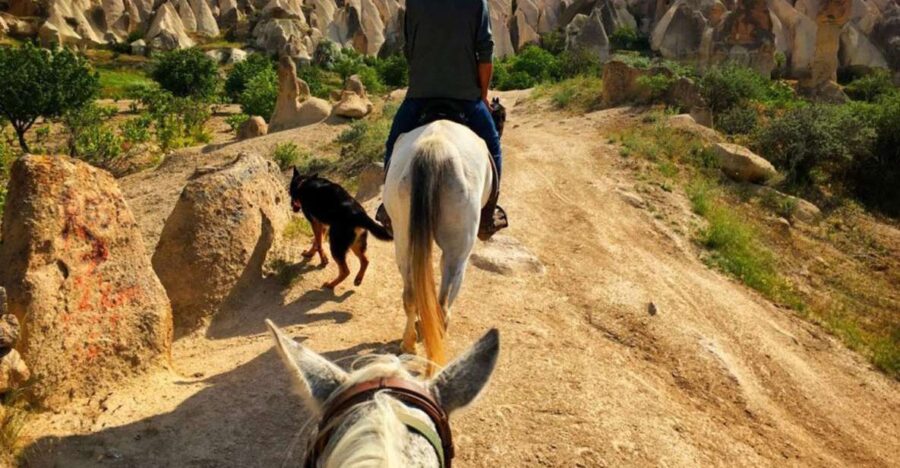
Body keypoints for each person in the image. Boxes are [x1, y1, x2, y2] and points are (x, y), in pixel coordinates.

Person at [375, 0, 508, 239]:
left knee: (392, 144)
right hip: (466, 98)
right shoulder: (477, 3)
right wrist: (483, 96)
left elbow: (409, 50)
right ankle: (487, 216)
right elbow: (485, 54)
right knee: (494, 145)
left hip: (420, 97)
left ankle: (388, 210)